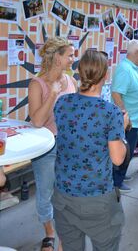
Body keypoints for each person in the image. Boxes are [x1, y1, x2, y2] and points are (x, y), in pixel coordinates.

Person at [52, 50, 128, 251]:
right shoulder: (111, 112)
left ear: (79, 71)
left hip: (62, 196)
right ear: (105, 76)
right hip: (96, 199)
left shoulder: (62, 103)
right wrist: (123, 129)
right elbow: (118, 159)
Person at [28, 36, 77, 251]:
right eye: (70, 55)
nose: (73, 59)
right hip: (47, 148)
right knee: (46, 193)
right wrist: (53, 94)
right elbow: (37, 121)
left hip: (69, 147)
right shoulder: (37, 84)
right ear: (57, 58)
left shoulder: (72, 81)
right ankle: (49, 233)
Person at [111, 40, 138, 192]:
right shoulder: (125, 69)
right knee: (124, 152)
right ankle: (117, 182)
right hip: (129, 122)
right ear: (136, 53)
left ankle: (121, 174)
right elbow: (116, 94)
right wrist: (125, 117)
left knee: (129, 151)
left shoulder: (131, 68)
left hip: (135, 120)